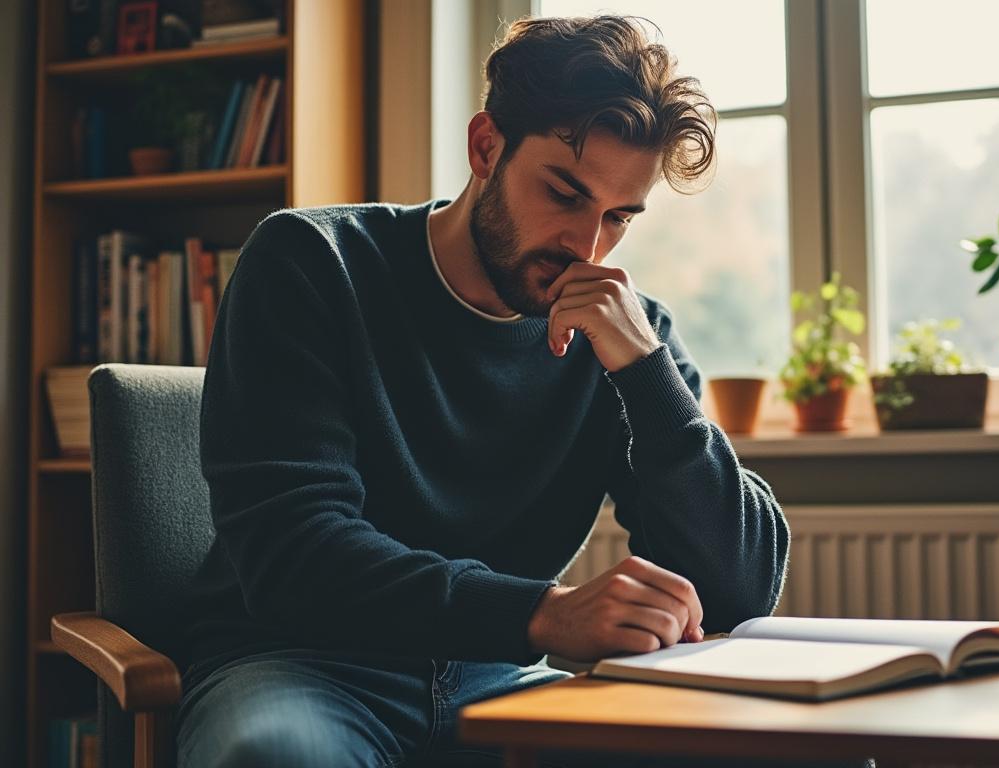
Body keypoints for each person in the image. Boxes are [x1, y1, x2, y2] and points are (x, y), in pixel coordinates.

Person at [175, 15, 830, 767]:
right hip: (300, 667)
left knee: (802, 754)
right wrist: (542, 613)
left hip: (505, 680)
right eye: (564, 193)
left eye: (619, 216)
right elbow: (292, 555)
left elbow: (739, 591)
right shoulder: (313, 265)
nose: (586, 247)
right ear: (485, 146)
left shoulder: (628, 333)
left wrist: (648, 379)